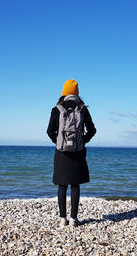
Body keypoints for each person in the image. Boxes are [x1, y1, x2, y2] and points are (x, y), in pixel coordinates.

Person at [46, 79, 96, 227]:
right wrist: (82, 140)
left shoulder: (57, 109)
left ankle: (62, 219)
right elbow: (92, 130)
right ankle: (73, 219)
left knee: (62, 185)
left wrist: (59, 142)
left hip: (61, 152)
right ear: (76, 93)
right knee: (75, 185)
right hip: (78, 151)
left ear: (64, 93)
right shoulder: (82, 109)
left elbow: (49, 131)